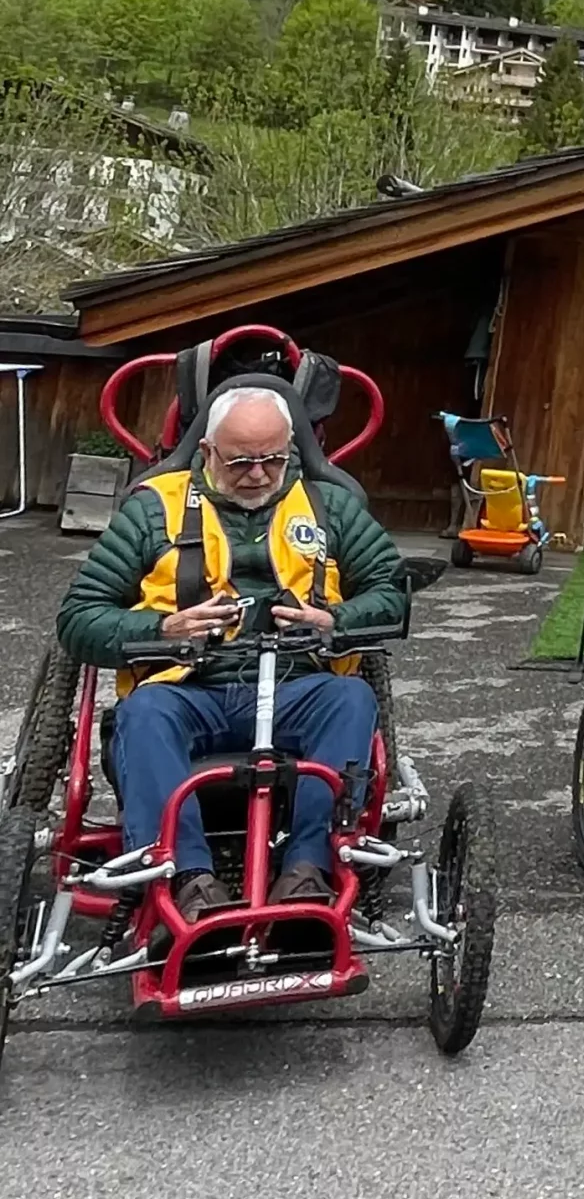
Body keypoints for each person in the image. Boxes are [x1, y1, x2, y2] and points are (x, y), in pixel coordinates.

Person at [55, 385, 405, 922]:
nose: (260, 474)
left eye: (274, 459)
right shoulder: (152, 511)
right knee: (143, 713)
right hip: (187, 689)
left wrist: (336, 620)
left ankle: (309, 870)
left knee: (351, 698)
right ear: (206, 453)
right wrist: (163, 626)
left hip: (294, 685)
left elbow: (391, 593)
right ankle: (186, 880)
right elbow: (78, 618)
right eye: (242, 461)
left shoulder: (330, 507)